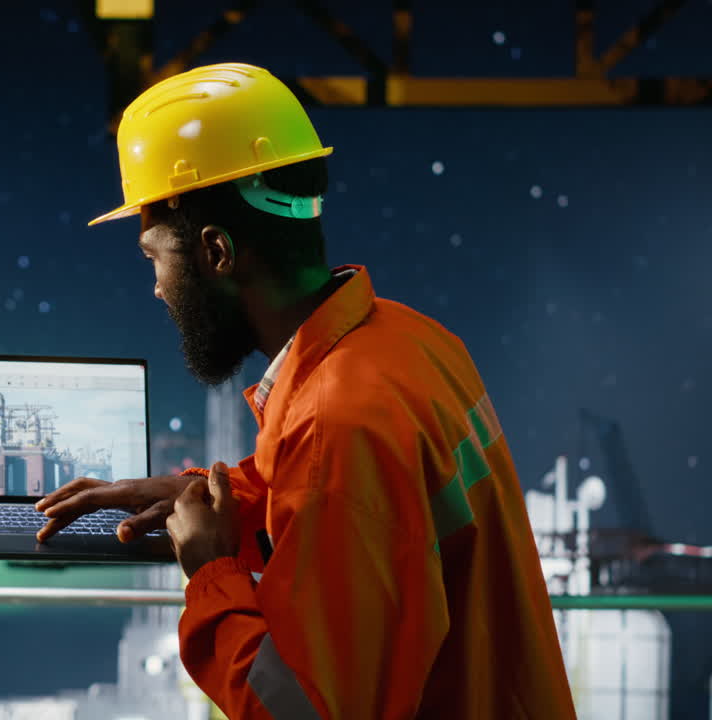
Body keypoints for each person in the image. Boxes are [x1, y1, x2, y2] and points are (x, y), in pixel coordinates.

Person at [37, 63, 577, 718]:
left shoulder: (337, 424)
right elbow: (368, 517)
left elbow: (295, 709)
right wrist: (214, 495)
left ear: (216, 252)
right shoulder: (413, 342)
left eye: (156, 257)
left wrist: (212, 574)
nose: (156, 288)